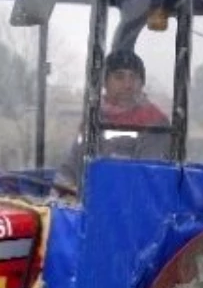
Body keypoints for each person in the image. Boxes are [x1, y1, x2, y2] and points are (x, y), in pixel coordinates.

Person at [54, 49, 169, 193]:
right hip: (88, 203)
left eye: (133, 77)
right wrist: (62, 193)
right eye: (119, 77)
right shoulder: (94, 119)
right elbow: (71, 167)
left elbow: (146, 181)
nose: (128, 85)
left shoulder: (155, 123)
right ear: (105, 83)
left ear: (141, 84)